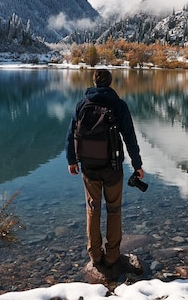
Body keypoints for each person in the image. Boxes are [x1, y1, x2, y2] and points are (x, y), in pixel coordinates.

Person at [66, 68, 144, 268]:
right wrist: (137, 165)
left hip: (89, 167)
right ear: (110, 82)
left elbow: (71, 133)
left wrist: (71, 160)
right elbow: (129, 137)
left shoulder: (82, 104)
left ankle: (94, 255)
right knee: (114, 210)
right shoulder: (118, 105)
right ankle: (112, 256)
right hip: (112, 168)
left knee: (93, 209)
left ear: (94, 82)